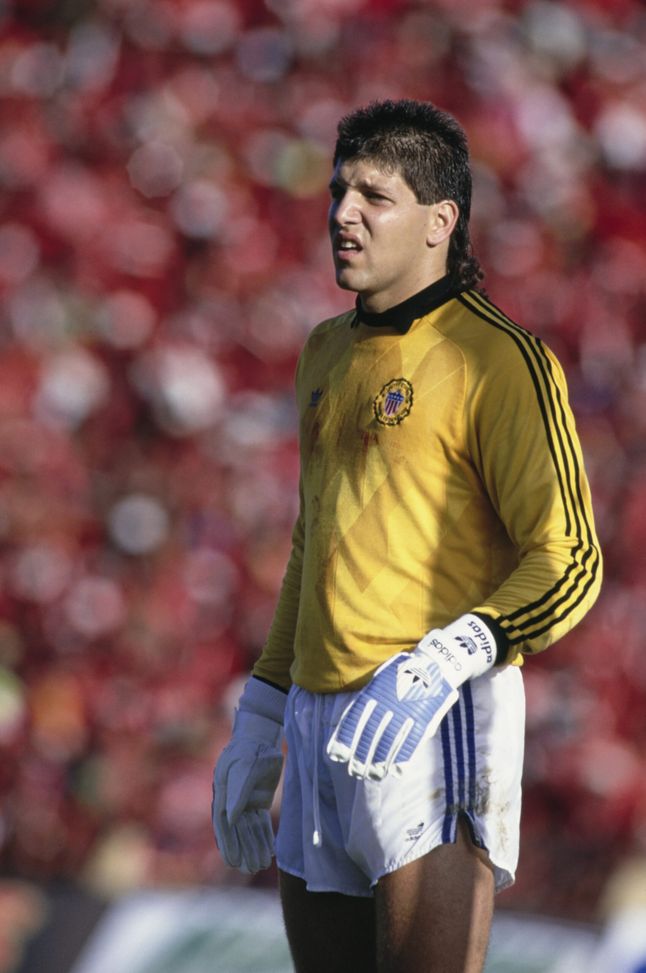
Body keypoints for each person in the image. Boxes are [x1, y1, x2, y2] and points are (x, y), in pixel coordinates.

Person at [212, 99, 602, 973]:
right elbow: (313, 542)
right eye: (339, 189)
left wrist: (455, 653)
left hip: (431, 712)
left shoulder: (499, 358)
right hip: (318, 721)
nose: (342, 212)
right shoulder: (324, 351)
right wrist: (262, 709)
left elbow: (571, 557)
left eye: (373, 195)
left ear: (440, 221)